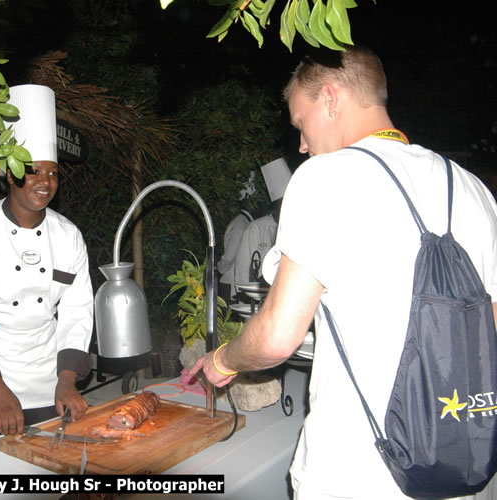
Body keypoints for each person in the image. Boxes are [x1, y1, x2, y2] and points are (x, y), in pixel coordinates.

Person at [191, 46, 497, 499]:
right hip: (455, 466)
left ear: (330, 98)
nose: (301, 144)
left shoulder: (325, 178)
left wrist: (222, 361)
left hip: (354, 473)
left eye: (301, 122)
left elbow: (278, 336)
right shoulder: (473, 189)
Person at [0, 84, 94, 446]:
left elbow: (77, 310)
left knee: (47, 465)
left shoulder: (67, 236)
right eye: (34, 171)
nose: (46, 182)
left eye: (53, 172)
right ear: (10, 175)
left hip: (45, 369)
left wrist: (67, 378)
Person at [232, 157, 292, 287]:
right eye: (282, 204)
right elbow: (242, 271)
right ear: (275, 205)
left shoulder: (295, 227)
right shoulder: (256, 228)